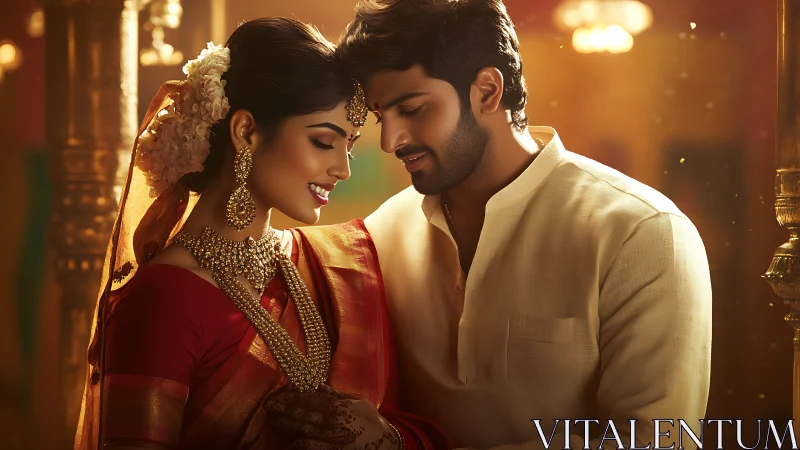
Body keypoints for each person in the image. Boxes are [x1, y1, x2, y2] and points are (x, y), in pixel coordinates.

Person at [331, 0, 713, 449]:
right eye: (382, 117)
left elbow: (658, 442)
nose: (391, 140)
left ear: (488, 91)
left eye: (412, 109)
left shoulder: (641, 232)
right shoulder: (380, 236)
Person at [73, 17, 450, 450]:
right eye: (324, 142)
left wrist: (388, 439)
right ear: (246, 131)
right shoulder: (162, 298)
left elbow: (421, 422)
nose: (343, 169)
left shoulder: (336, 264)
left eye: (349, 146)